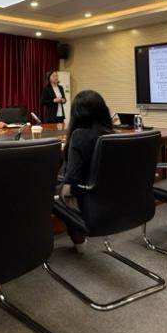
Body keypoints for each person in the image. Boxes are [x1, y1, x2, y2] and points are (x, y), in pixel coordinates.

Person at [57, 89, 114, 253]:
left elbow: (72, 180)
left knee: (53, 192)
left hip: (88, 199)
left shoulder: (79, 136)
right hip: (111, 197)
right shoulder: (112, 135)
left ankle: (79, 244)